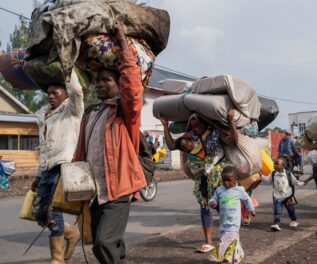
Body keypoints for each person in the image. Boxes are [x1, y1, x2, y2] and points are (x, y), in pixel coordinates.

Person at [72, 22, 147, 263]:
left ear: (118, 83)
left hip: (118, 191)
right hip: (94, 191)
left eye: (107, 79)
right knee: (99, 244)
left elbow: (133, 88)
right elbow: (80, 153)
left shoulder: (125, 112)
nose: (100, 84)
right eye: (98, 80)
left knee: (105, 242)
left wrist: (123, 41)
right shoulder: (91, 114)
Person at [160, 110, 238, 253]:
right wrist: (165, 125)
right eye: (193, 127)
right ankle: (208, 242)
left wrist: (231, 122)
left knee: (223, 206)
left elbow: (233, 142)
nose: (196, 129)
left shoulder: (215, 132)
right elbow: (172, 145)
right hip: (202, 176)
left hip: (218, 173)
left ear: (205, 123)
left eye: (198, 126)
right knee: (204, 206)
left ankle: (229, 237)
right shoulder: (190, 137)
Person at [30, 70, 84, 263]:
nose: (51, 96)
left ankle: (57, 259)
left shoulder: (72, 110)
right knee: (40, 213)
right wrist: (38, 175)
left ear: (66, 94)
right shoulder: (44, 116)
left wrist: (67, 66)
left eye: (56, 93)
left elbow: (77, 90)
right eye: (49, 93)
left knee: (53, 213)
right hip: (47, 169)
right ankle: (71, 233)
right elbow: (44, 148)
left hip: (64, 166)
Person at [208, 166, 255, 264]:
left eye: (228, 180)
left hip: (234, 221)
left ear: (236, 180)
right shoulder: (220, 190)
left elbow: (247, 199)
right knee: (227, 240)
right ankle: (233, 258)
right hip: (223, 221)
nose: (226, 183)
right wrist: (212, 202)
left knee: (228, 239)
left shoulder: (239, 190)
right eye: (223, 180)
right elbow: (214, 198)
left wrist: (251, 209)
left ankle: (227, 260)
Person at [261, 157, 304, 231]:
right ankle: (276, 224)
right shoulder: (273, 173)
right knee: (277, 210)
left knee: (291, 209)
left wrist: (302, 183)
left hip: (287, 196)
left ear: (283, 166)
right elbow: (267, 180)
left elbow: (295, 182)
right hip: (277, 196)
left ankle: (293, 220)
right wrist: (261, 175)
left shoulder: (288, 173)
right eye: (274, 164)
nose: (275, 165)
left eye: (277, 164)